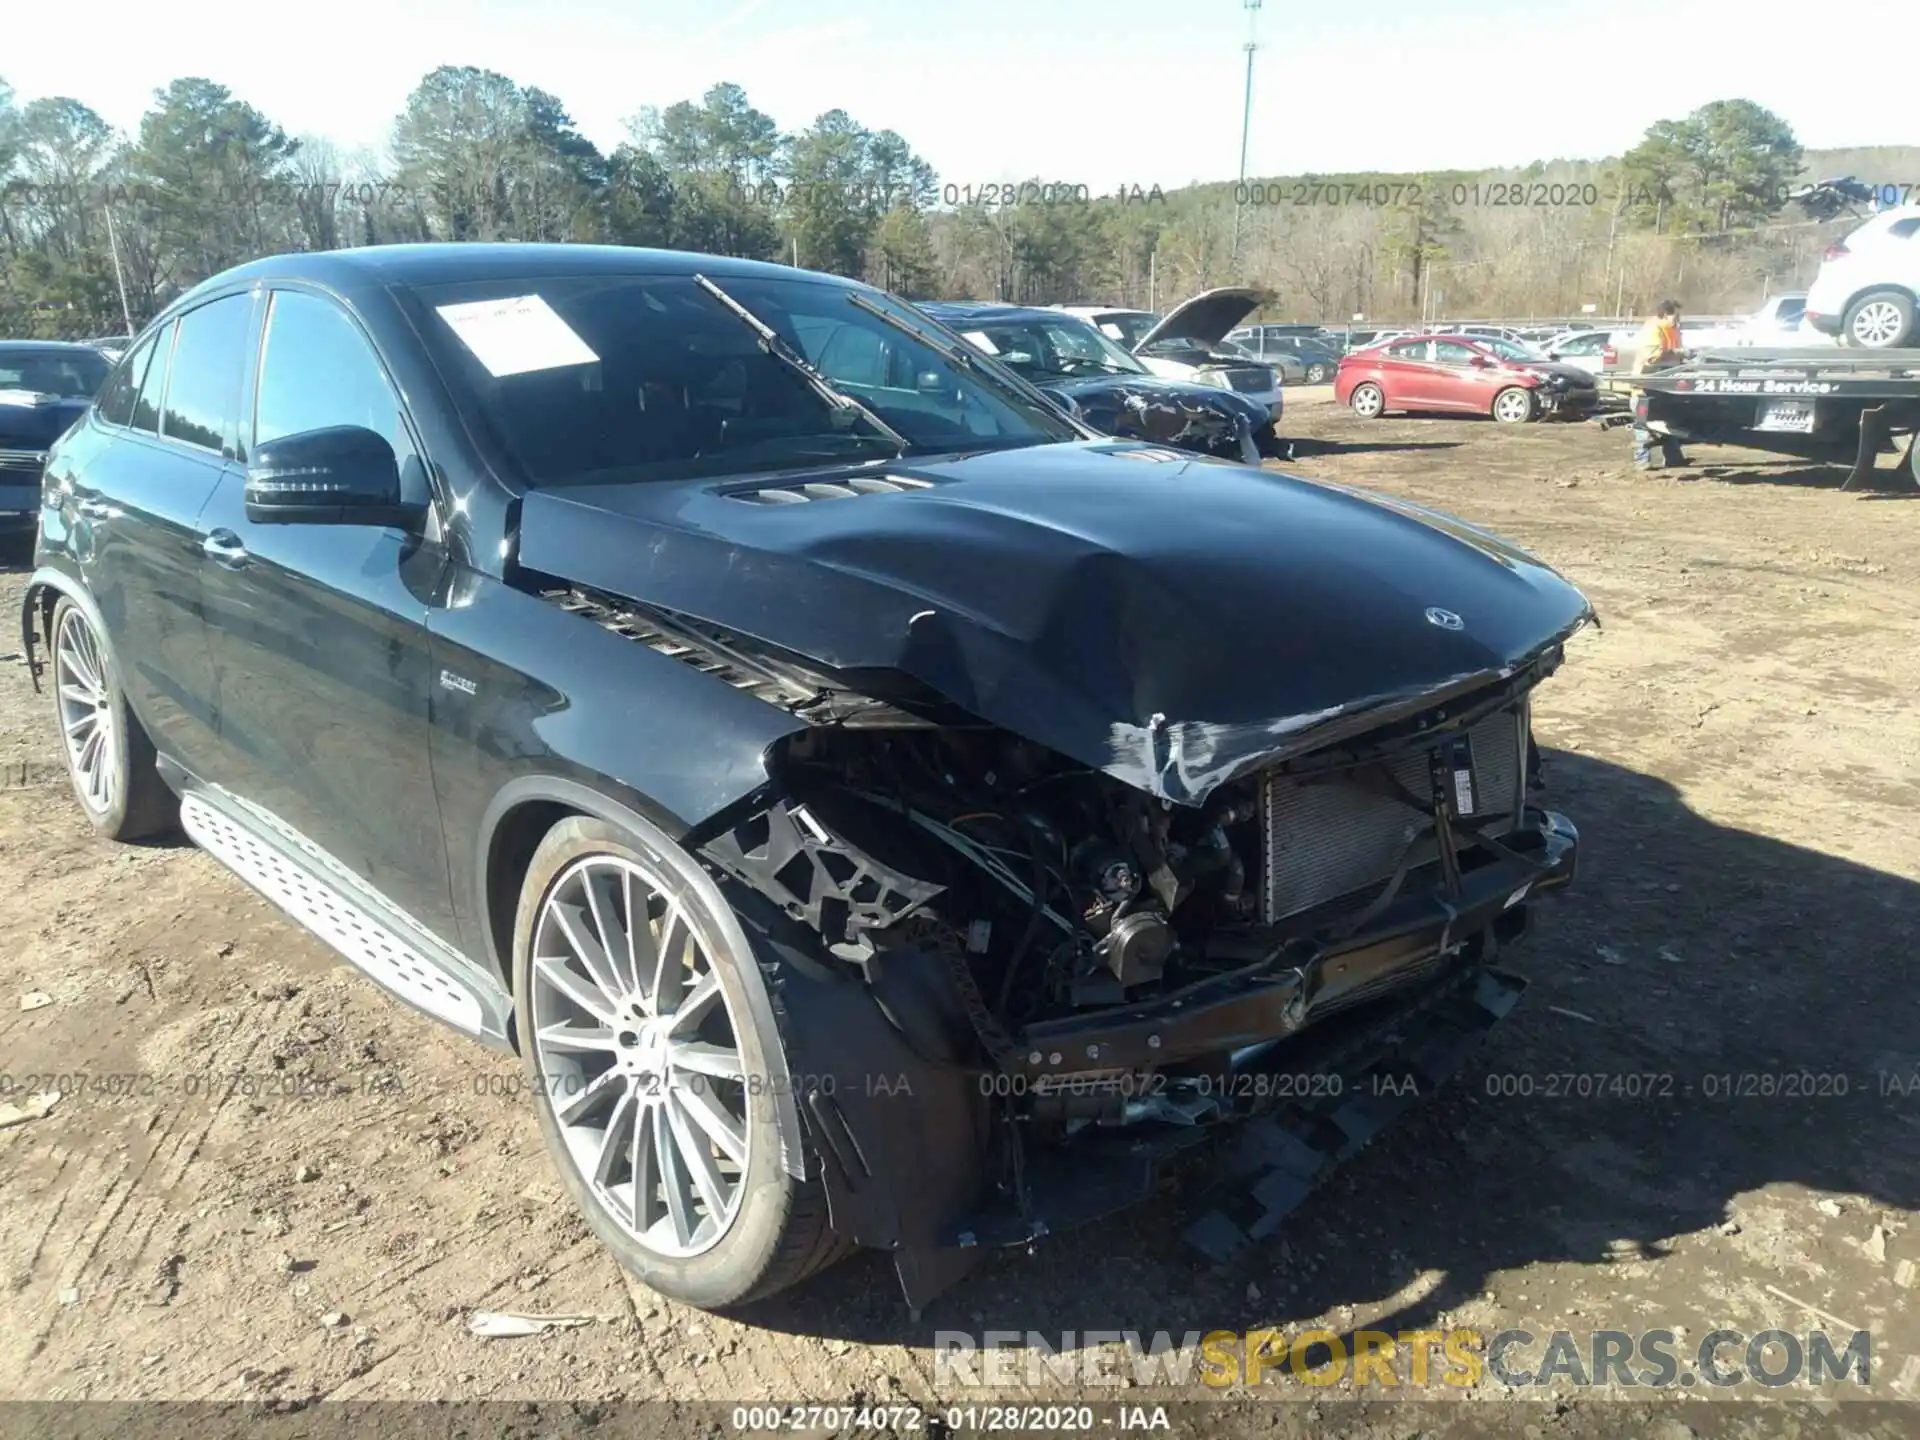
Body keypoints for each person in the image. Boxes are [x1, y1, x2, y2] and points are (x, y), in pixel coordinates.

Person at [1631, 300, 1689, 470]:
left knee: (1669, 421)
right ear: (1665, 314)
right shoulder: (1653, 330)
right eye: (1675, 316)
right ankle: (1642, 460)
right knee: (1643, 422)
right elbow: (1652, 356)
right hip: (1647, 383)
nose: (1678, 320)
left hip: (1667, 383)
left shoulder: (1673, 330)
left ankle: (1674, 458)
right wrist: (1677, 353)